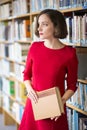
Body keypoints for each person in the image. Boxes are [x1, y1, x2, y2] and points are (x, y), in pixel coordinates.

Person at [19, 9, 78, 130]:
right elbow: (26, 75)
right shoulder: (34, 48)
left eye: (44, 24)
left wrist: (60, 103)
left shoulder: (69, 54)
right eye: (38, 24)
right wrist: (29, 89)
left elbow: (72, 85)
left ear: (56, 26)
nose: (39, 28)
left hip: (54, 109)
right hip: (33, 105)